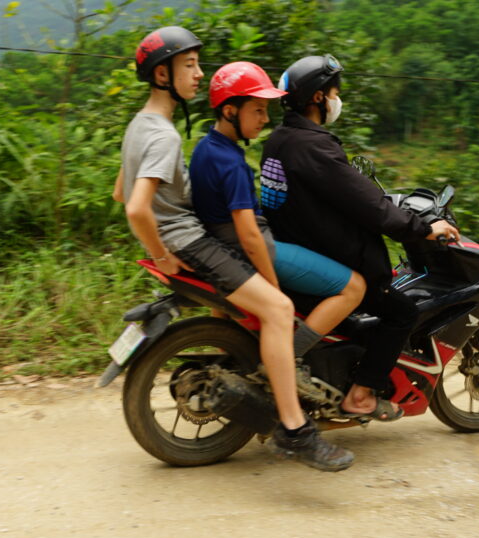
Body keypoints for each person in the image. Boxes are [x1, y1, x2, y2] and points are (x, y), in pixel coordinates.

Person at [112, 29, 353, 471]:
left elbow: (118, 190)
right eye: (189, 65)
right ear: (162, 75)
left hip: (186, 237)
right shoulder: (165, 137)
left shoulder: (139, 126)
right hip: (190, 241)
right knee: (280, 309)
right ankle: (295, 430)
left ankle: (257, 382)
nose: (197, 74)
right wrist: (162, 251)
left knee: (267, 308)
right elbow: (135, 206)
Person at [261, 54, 460, 421]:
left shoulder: (279, 140)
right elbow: (371, 207)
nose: (337, 99)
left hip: (297, 244)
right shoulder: (315, 147)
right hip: (325, 256)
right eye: (335, 92)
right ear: (318, 97)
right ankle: (361, 395)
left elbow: (340, 195)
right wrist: (423, 229)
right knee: (401, 312)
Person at [188, 61, 366, 365]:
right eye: (258, 110)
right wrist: (273, 289)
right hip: (256, 249)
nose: (265, 119)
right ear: (230, 111)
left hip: (221, 246)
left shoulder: (206, 147)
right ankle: (288, 358)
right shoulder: (232, 164)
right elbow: (250, 236)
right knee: (354, 287)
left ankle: (230, 359)